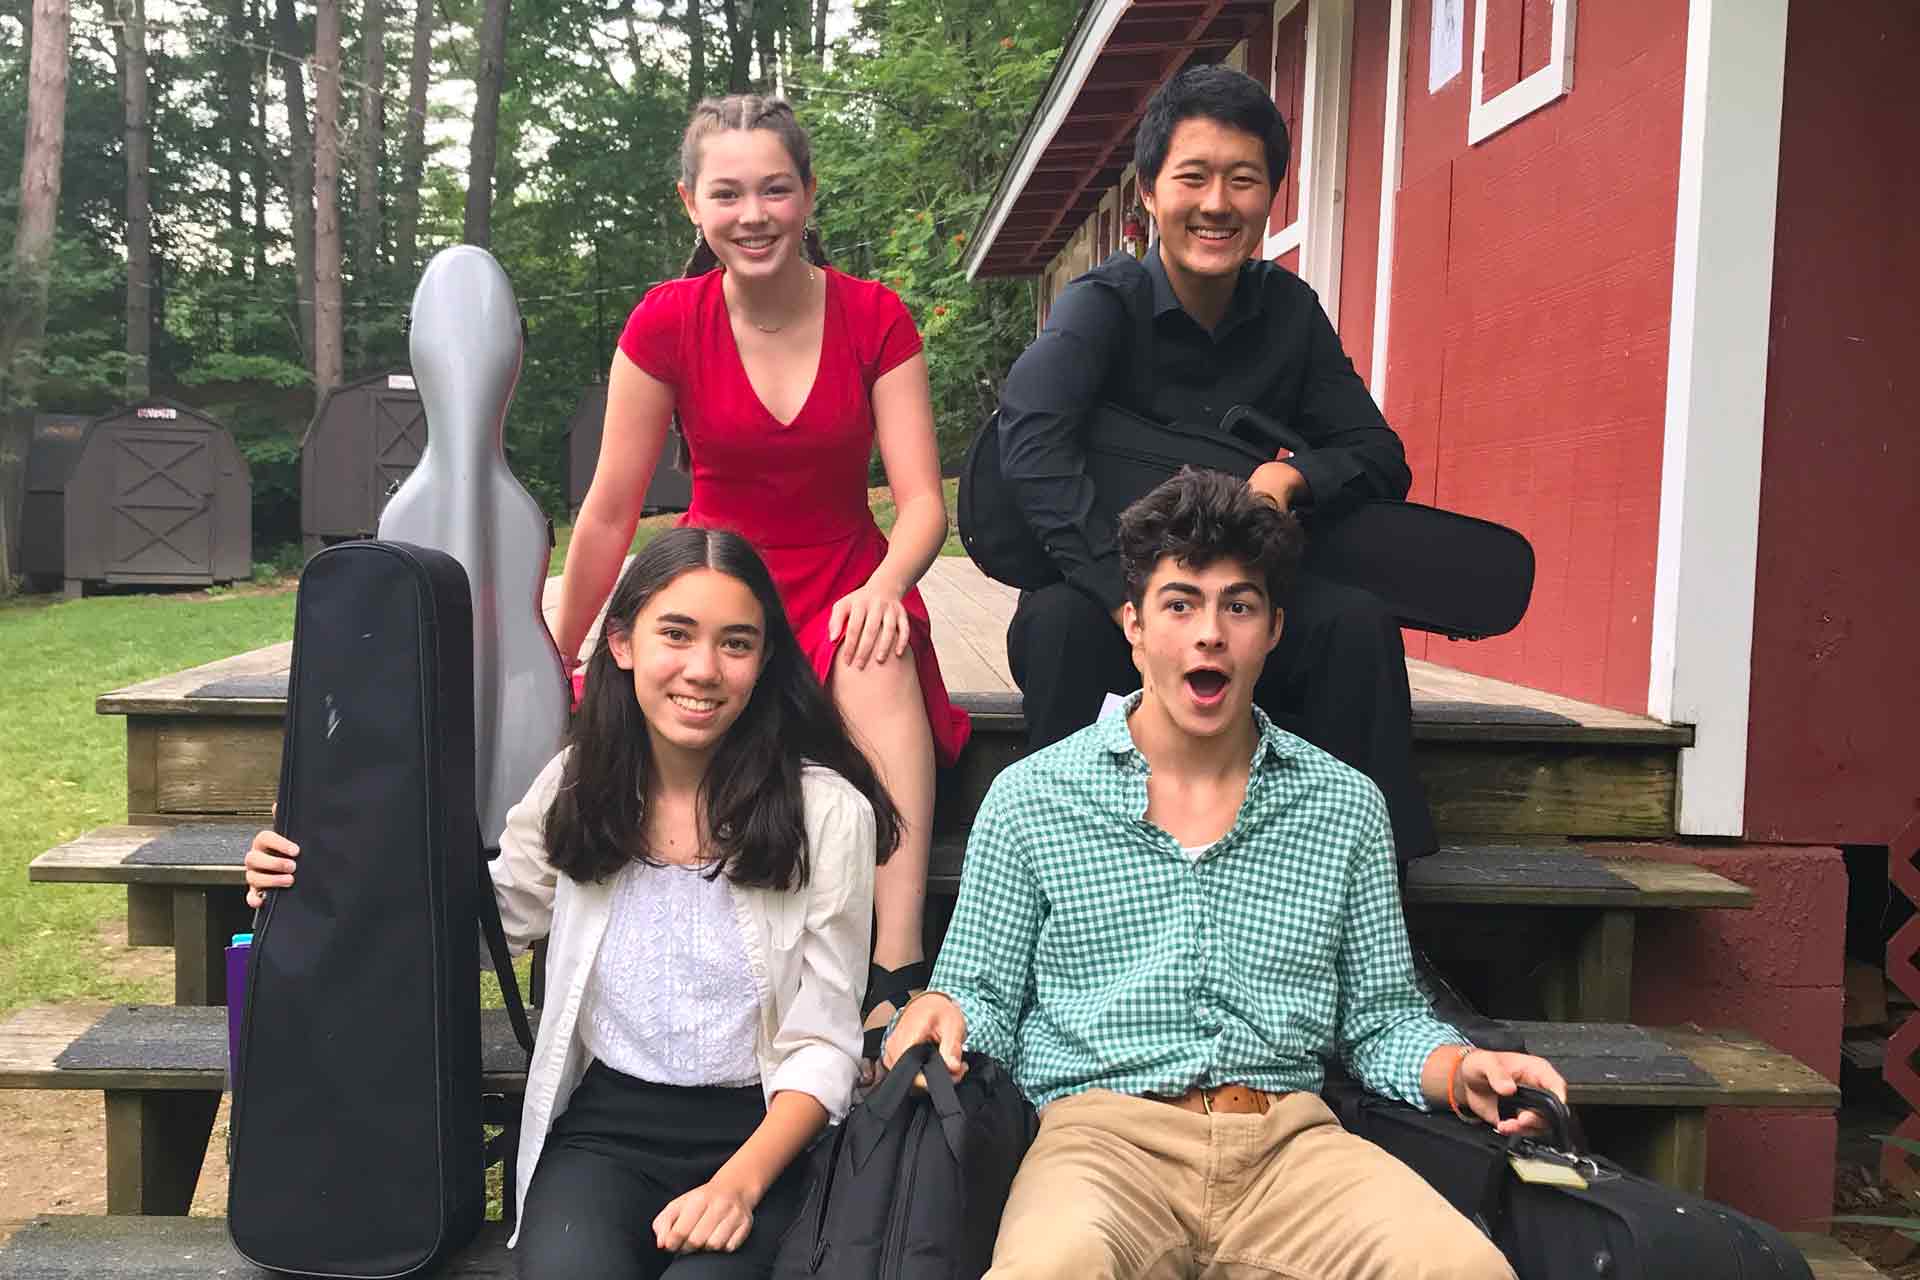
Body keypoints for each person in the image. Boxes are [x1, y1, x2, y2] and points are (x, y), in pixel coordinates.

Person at [886, 469, 1566, 1279]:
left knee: (1464, 1270)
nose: (1210, 633)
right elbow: (981, 994)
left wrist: (1462, 1068)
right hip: (1099, 1143)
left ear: (1273, 630)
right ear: (1133, 624)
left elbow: (1381, 1021)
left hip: (1292, 1148)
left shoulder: (1341, 806)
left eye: (1237, 606)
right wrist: (938, 1012)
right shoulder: (1034, 799)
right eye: (1180, 604)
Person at [246, 527, 899, 1278]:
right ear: (621, 642)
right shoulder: (578, 786)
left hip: (766, 1138)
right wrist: (313, 879)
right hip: (606, 1131)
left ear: (764, 661)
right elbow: (471, 927)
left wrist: (737, 1185)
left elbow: (825, 1042)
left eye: (737, 643)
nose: (703, 669)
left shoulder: (827, 813)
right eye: (676, 634)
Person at [551, 95, 967, 1068]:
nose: (754, 213)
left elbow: (921, 502)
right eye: (728, 192)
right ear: (691, 204)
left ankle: (894, 967)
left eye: (776, 188)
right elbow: (610, 509)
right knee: (674, 681)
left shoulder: (876, 315)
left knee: (880, 647)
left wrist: (887, 582)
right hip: (717, 582)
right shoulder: (666, 321)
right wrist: (563, 644)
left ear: (808, 195)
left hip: (844, 576)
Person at [995, 62, 1435, 863]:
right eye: (1193, 177)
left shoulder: (1288, 312)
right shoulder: (1103, 306)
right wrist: (1133, 604)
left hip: (1240, 599)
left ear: (1270, 196)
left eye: (1244, 180)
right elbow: (1031, 447)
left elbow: (1378, 455)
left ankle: (1369, 890)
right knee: (1054, 624)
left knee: (1356, 625)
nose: (1217, 204)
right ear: (1151, 191)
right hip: (1107, 595)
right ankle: (1058, 874)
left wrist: (1289, 477)